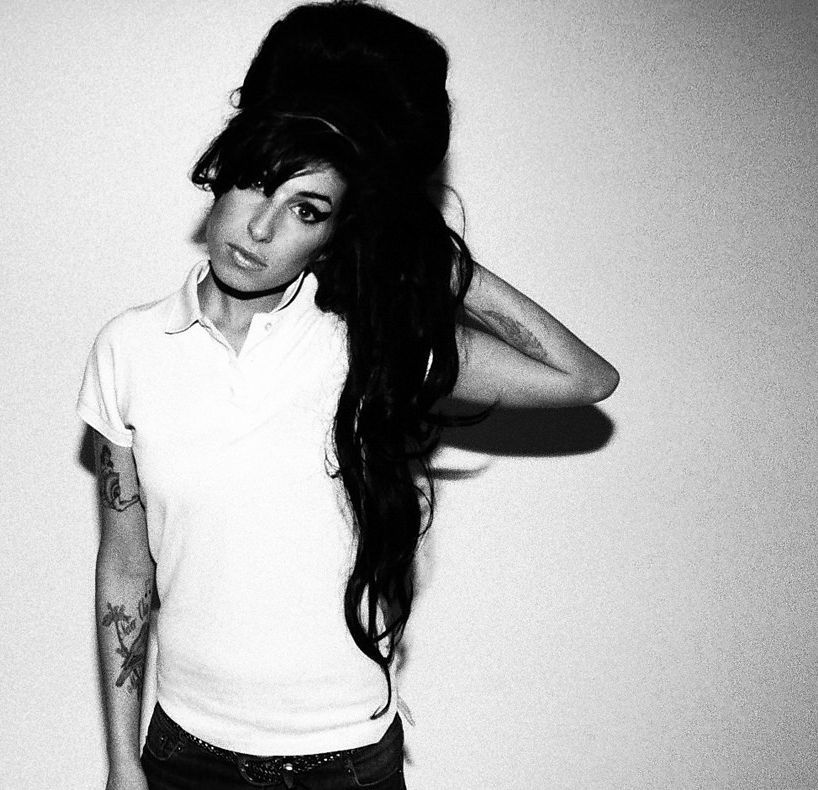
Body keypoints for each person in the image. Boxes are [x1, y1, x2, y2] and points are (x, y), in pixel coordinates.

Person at [78, 3, 618, 788]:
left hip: (346, 765)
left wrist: (428, 256)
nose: (260, 230)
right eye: (256, 184)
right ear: (221, 176)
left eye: (306, 210)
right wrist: (123, 764)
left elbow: (583, 378)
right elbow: (127, 568)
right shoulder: (128, 349)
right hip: (186, 755)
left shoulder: (367, 342)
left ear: (335, 233)